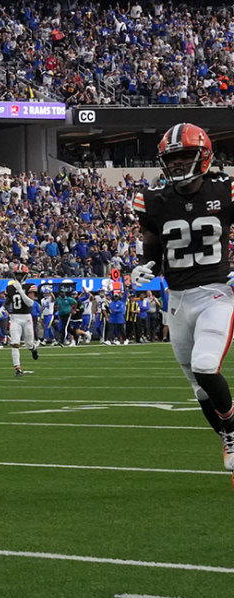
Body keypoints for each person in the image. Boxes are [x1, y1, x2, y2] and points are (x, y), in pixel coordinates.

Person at [131, 122, 234, 477]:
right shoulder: (155, 200)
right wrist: (143, 267)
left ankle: (233, 432)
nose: (177, 164)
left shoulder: (226, 190)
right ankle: (228, 436)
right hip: (177, 300)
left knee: (206, 366)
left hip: (215, 295)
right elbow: (152, 247)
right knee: (199, 389)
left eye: (185, 156)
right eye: (172, 158)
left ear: (203, 156)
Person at [5, 264, 39, 376]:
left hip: (27, 318)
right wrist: (2, 308)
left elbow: (30, 303)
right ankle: (18, 368)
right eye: (17, 274)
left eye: (21, 274)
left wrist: (20, 291)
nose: (19, 276)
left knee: (29, 344)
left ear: (25, 275)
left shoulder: (30, 285)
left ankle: (33, 348)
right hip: (15, 318)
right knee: (15, 343)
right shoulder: (10, 287)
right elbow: (8, 301)